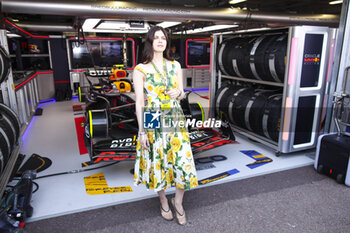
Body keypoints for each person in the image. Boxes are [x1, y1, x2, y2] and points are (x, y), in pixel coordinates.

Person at [133, 26, 198, 225]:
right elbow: (139, 101)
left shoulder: (175, 65)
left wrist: (177, 93)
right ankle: (163, 201)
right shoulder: (140, 69)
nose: (160, 41)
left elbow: (182, 92)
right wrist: (142, 130)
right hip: (152, 115)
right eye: (156, 37)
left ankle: (178, 201)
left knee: (182, 160)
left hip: (174, 114)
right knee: (157, 161)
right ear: (150, 41)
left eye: (163, 38)